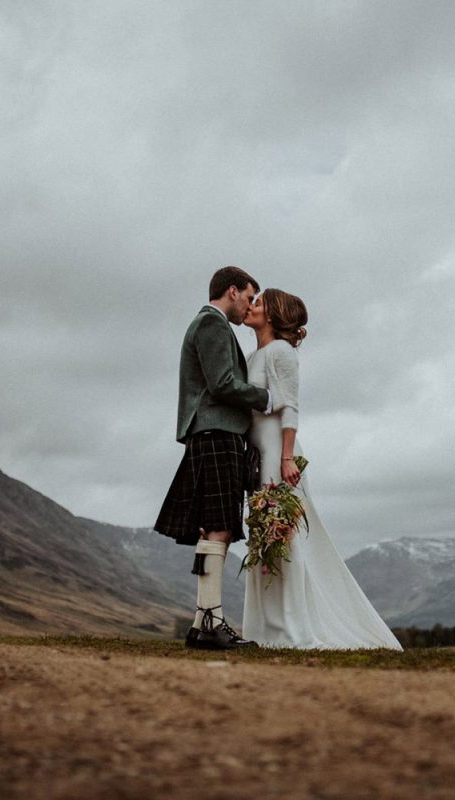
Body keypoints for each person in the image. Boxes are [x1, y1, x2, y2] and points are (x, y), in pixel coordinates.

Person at [241, 288, 403, 650]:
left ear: (274, 314)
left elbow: (291, 408)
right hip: (258, 457)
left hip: (278, 456)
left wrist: (285, 458)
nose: (252, 307)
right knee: (263, 537)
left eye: (259, 303)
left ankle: (292, 628)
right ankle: (265, 628)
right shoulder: (254, 355)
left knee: (284, 538)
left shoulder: (281, 353)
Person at [154, 266, 273, 650]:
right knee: (219, 526)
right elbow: (222, 383)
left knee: (211, 527)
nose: (250, 306)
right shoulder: (212, 324)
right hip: (217, 433)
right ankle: (211, 623)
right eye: (250, 298)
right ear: (233, 291)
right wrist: (264, 397)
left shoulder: (209, 325)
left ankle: (202, 622)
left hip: (209, 434)